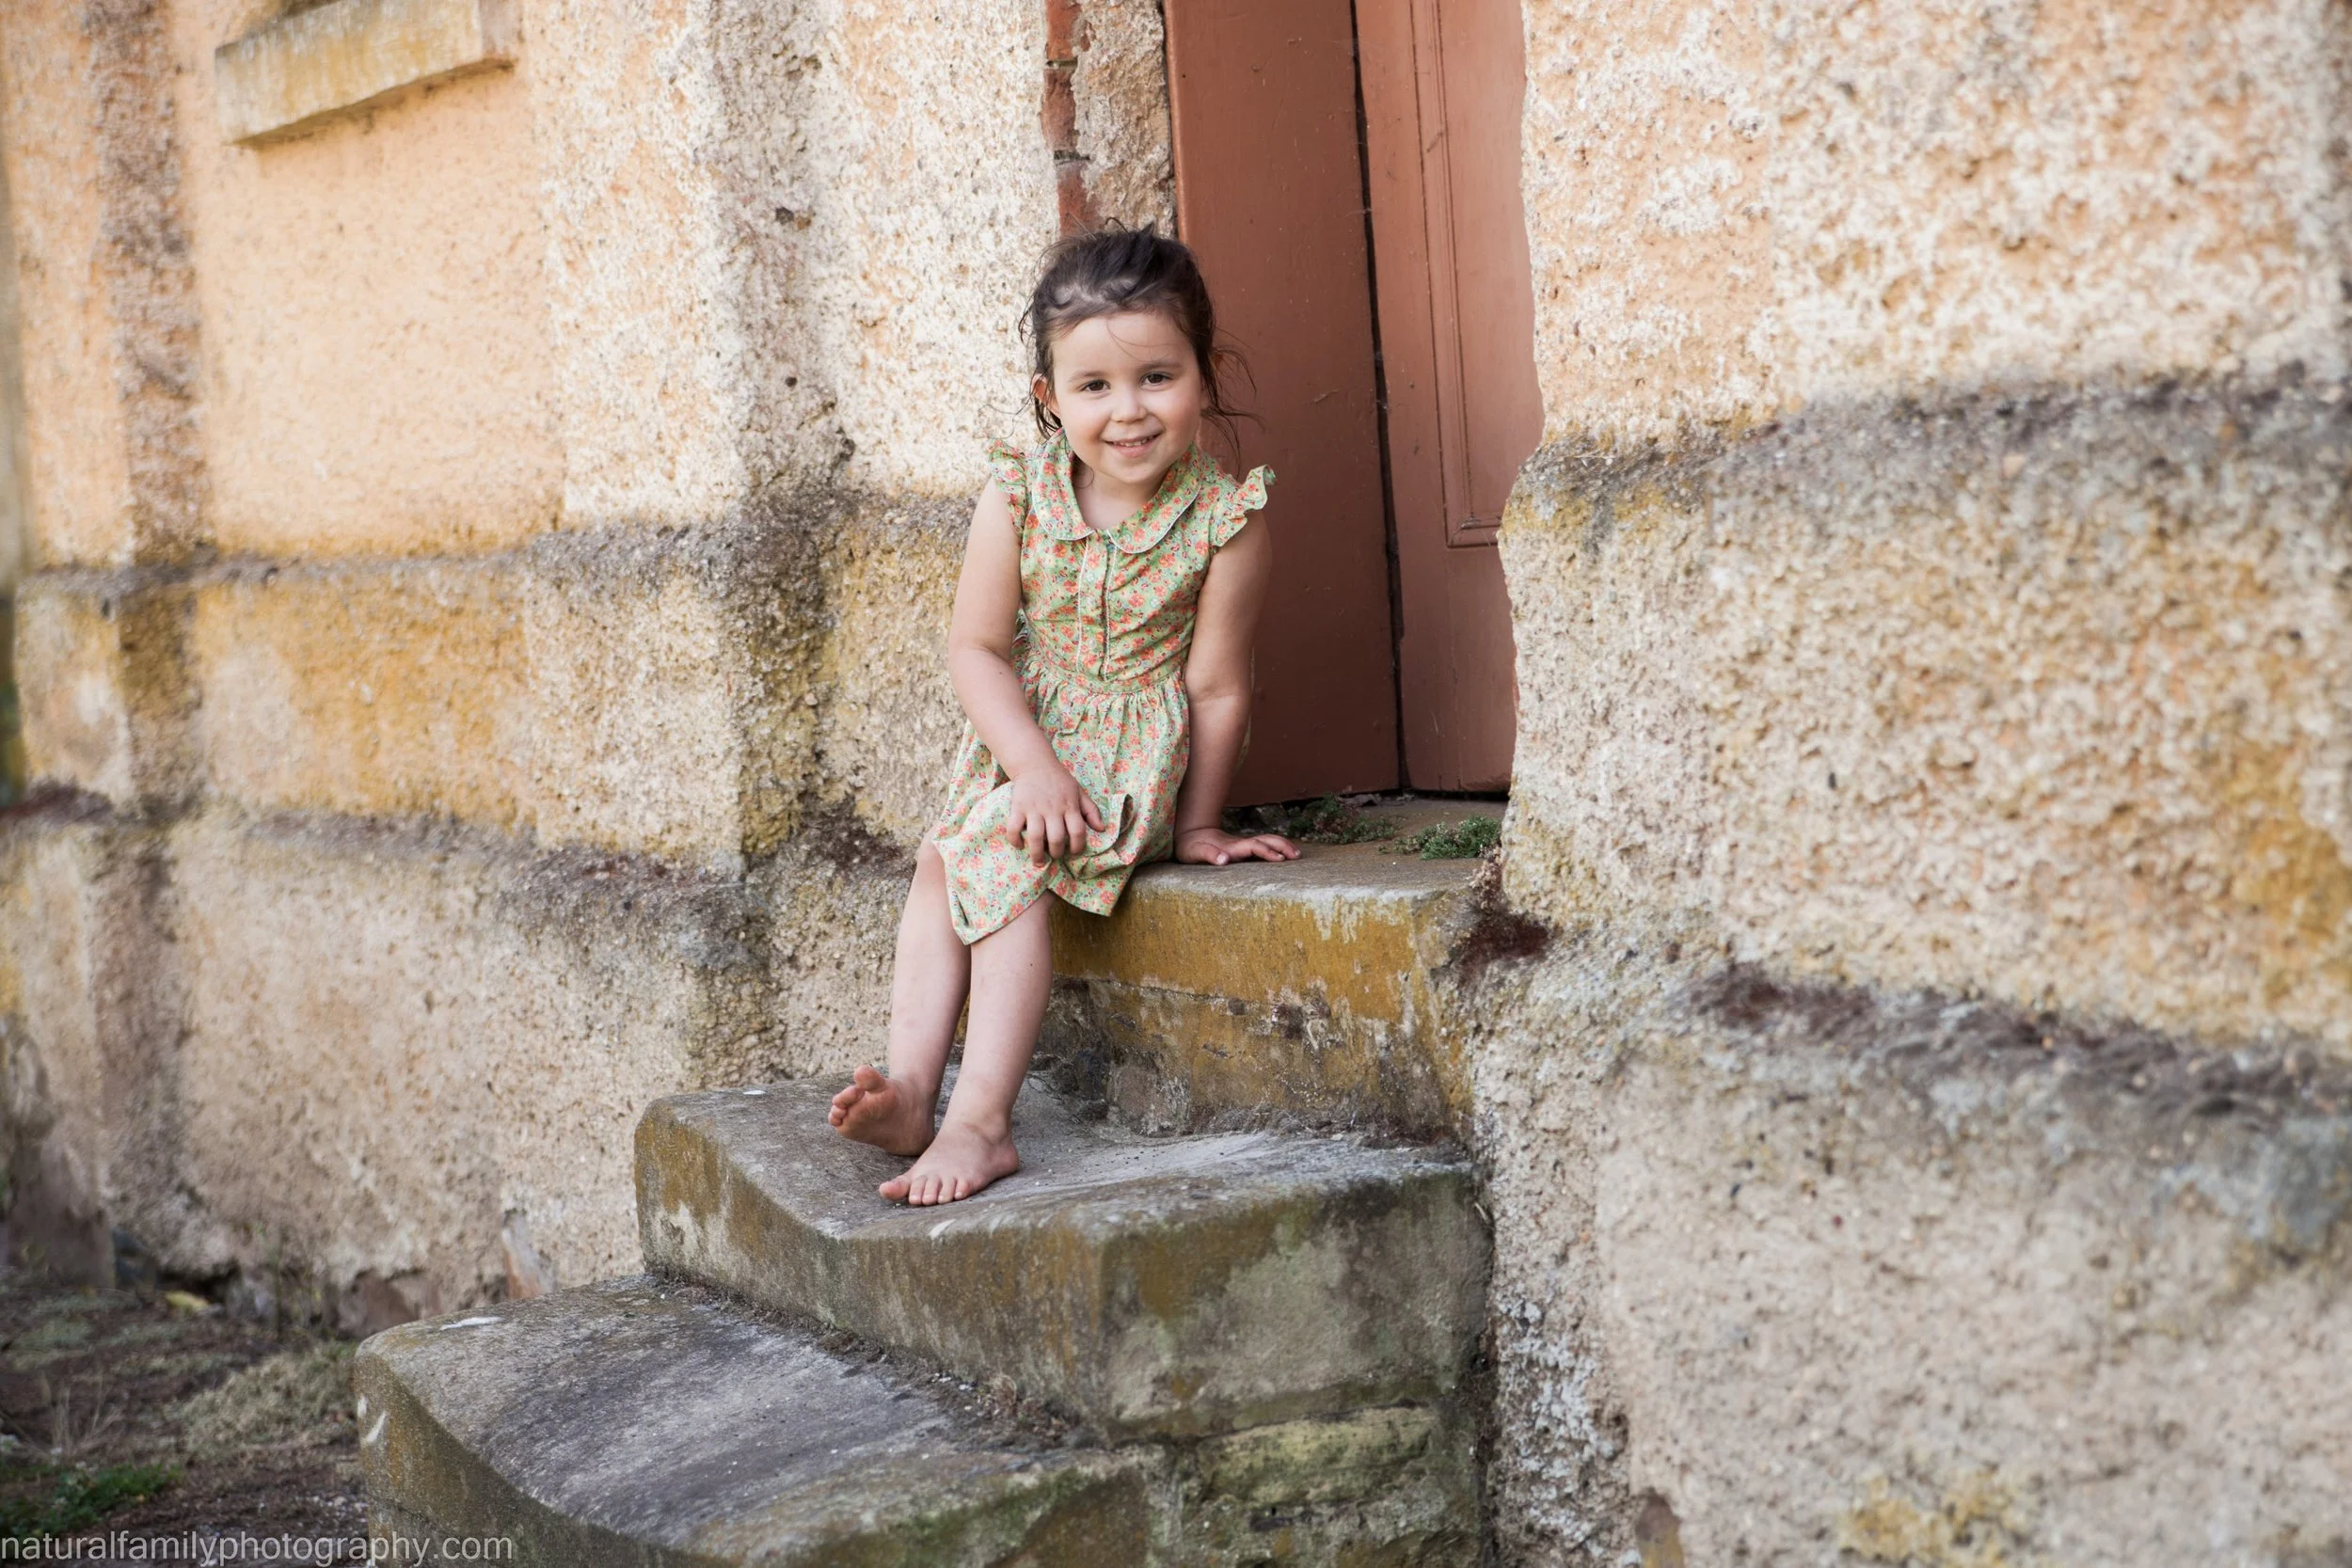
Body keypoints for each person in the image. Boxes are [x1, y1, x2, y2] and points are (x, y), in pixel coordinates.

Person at [827, 227, 1300, 1205]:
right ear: (1051, 398)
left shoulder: (1224, 521)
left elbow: (1216, 686)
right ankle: (913, 1082)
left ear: (1203, 375)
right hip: (1030, 750)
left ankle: (981, 1121)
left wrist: (1201, 820)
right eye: (1093, 387)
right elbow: (976, 648)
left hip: (1129, 768)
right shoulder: (1018, 494)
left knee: (1005, 857)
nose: (1127, 411)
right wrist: (1031, 764)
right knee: (942, 856)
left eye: (1157, 377)